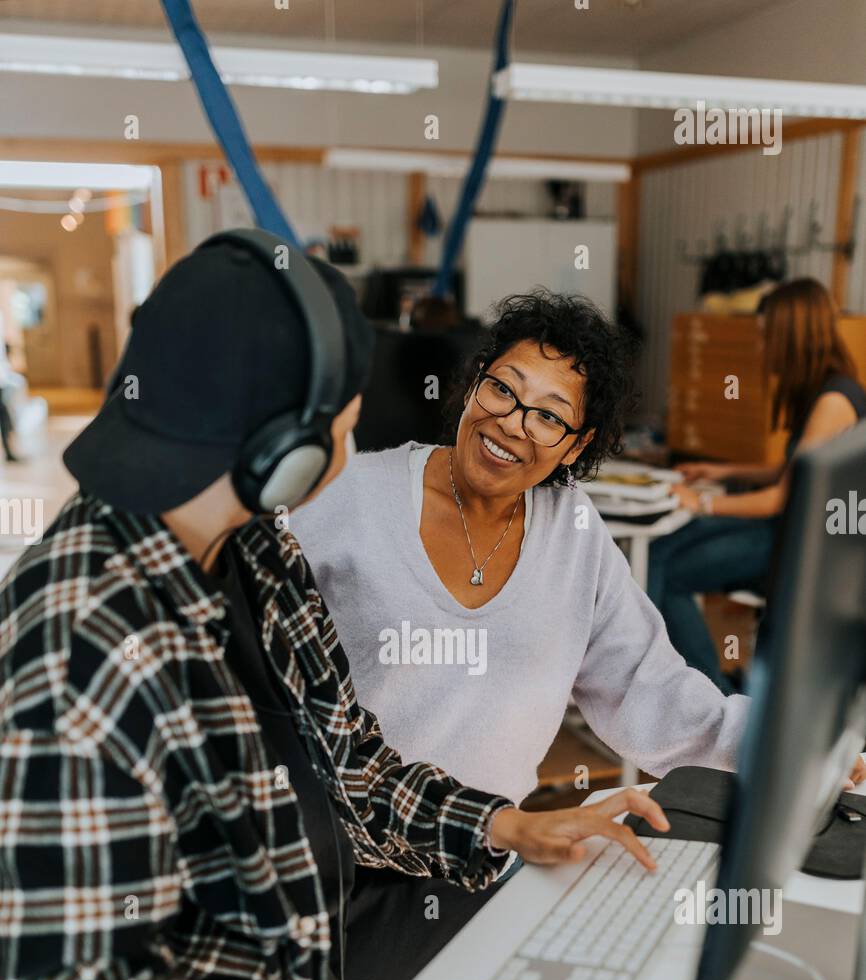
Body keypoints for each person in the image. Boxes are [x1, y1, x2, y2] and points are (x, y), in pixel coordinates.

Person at [0, 233, 672, 980]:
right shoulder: (80, 637)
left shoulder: (254, 547)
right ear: (278, 442)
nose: (360, 430)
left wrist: (507, 826)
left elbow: (346, 762)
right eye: (341, 415)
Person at [289, 291, 754, 809]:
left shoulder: (572, 532)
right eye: (503, 390)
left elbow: (647, 690)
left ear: (577, 446)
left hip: (490, 855)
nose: (513, 423)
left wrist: (773, 744)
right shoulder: (345, 496)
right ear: (473, 385)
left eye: (550, 418)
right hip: (340, 851)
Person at [648, 278, 866, 693]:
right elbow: (792, 469)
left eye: (768, 337)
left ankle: (708, 698)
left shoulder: (833, 402)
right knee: (662, 546)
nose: (763, 348)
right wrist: (725, 473)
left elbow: (781, 499)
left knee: (666, 567)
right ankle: (664, 679)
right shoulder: (830, 389)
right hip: (788, 534)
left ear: (790, 337)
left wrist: (702, 504)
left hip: (801, 551)